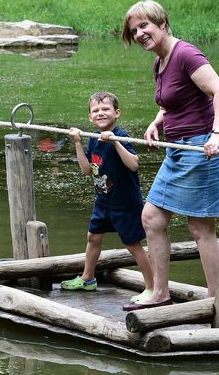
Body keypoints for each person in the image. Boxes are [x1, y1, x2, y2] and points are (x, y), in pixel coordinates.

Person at [120, 0, 219, 311]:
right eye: (134, 30)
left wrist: (217, 134)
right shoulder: (160, 61)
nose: (140, 33)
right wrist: (159, 121)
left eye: (145, 26)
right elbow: (173, 99)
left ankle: (216, 301)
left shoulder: (185, 53)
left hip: (203, 149)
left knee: (200, 228)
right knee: (152, 218)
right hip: (178, 149)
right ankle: (160, 293)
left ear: (163, 24)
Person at [61, 91, 154, 303]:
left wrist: (115, 143)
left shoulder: (121, 135)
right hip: (103, 201)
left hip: (125, 204)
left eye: (105, 109)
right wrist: (77, 143)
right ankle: (87, 278)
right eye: (96, 110)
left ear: (117, 113)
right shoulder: (93, 139)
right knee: (93, 237)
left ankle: (151, 287)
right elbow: (87, 171)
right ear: (90, 117)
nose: (100, 113)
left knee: (133, 245)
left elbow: (134, 164)